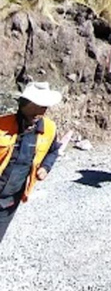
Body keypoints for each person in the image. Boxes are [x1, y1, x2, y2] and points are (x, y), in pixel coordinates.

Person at [0, 82, 62, 243]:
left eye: (44, 106)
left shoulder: (49, 129)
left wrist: (46, 167)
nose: (41, 110)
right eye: (37, 105)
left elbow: (53, 150)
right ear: (24, 104)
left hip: (11, 199)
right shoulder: (2, 124)